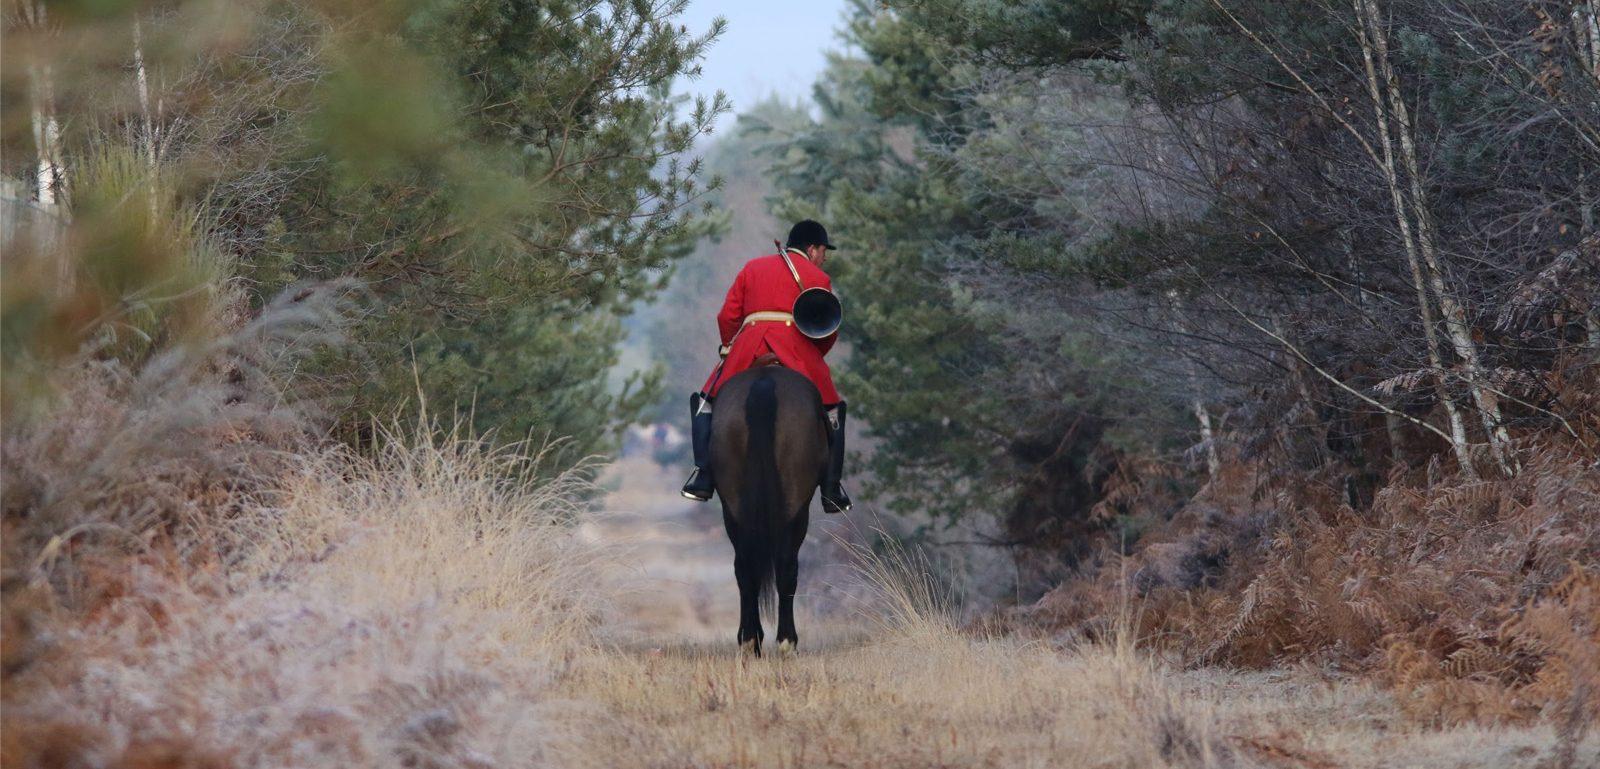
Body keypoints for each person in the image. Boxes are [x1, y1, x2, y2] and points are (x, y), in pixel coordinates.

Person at [680, 220, 852, 513]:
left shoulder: (752, 268)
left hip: (750, 346)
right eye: (824, 252)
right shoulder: (818, 277)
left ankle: (703, 476)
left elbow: (727, 316)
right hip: (796, 349)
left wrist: (729, 346)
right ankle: (832, 489)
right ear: (812, 249)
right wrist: (812, 354)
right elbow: (826, 330)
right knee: (832, 410)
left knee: (706, 403)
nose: (824, 258)